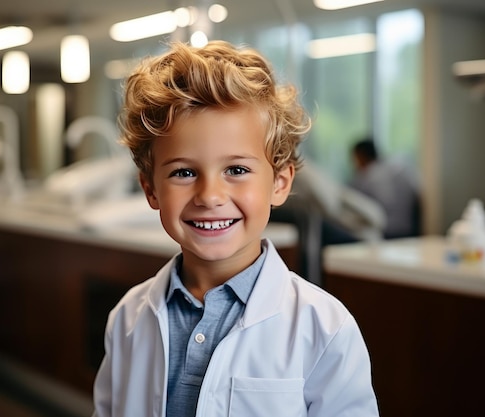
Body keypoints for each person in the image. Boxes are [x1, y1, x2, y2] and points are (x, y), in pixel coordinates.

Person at [92, 40, 379, 417]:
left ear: (279, 183)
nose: (210, 195)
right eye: (184, 172)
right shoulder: (127, 317)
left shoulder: (325, 328)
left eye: (237, 170)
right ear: (150, 189)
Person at [350, 137, 421, 239]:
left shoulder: (366, 177)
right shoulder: (400, 170)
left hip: (385, 234)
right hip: (410, 231)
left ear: (360, 157)